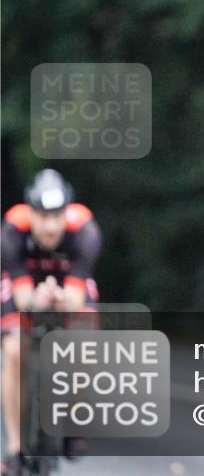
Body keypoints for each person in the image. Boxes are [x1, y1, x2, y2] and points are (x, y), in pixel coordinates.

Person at [1, 169, 101, 476]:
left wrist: (59, 298)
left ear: (66, 213)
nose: (49, 225)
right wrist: (36, 300)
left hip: (67, 287)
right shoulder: (12, 230)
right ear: (30, 212)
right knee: (15, 351)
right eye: (42, 216)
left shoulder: (85, 230)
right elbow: (21, 298)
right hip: (28, 288)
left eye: (56, 216)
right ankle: (16, 449)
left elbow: (75, 296)